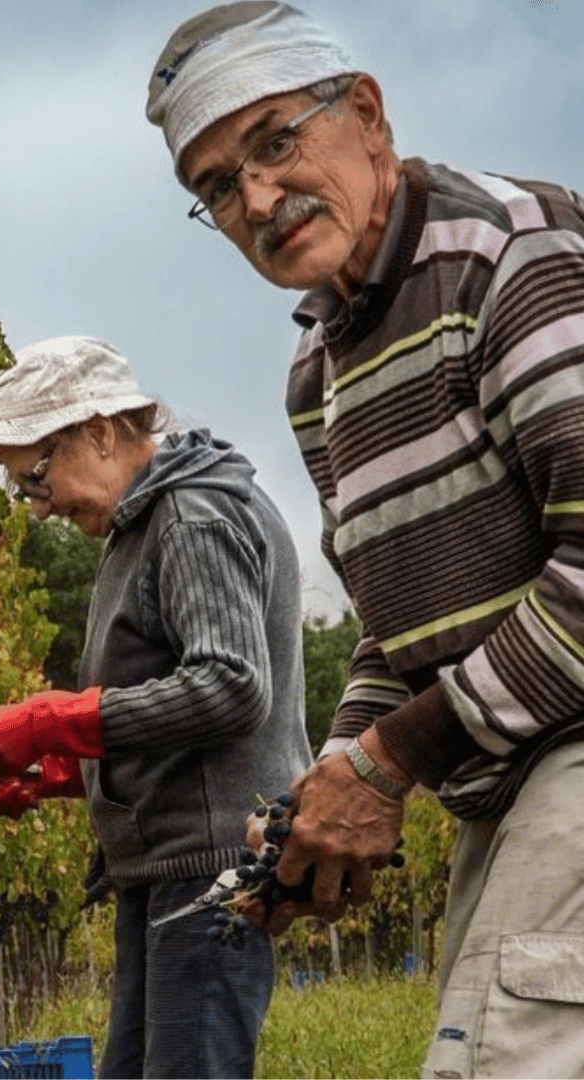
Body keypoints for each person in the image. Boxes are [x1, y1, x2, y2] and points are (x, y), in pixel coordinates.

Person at [145, 3, 584, 1077]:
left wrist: (387, 766)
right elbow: (402, 633)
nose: (255, 198)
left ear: (370, 115)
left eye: (276, 141)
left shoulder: (507, 261)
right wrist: (334, 778)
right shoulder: (319, 373)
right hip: (509, 782)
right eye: (215, 186)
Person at [0, 335, 311, 1079]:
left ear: (100, 430)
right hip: (168, 870)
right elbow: (173, 715)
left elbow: (232, 685)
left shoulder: (193, 514)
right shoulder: (145, 523)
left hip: (208, 871)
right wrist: (58, 774)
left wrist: (57, 720)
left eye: (38, 478)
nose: (40, 505)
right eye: (26, 489)